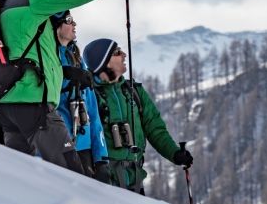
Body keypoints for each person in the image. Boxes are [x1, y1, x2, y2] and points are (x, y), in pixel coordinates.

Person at [0, 0, 138, 172]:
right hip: (34, 104)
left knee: (22, 177)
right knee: (71, 176)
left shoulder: (5, 6)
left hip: (6, 106)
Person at [82, 38, 193, 193]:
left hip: (135, 180)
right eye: (117, 53)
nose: (124, 55)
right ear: (104, 62)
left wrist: (174, 153)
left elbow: (155, 129)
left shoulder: (134, 91)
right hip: (103, 181)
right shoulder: (88, 94)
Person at [50, 9, 111, 183]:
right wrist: (64, 74)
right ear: (56, 26)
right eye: (69, 20)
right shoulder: (47, 57)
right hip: (57, 147)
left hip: (84, 149)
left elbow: (93, 112)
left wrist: (101, 158)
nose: (74, 24)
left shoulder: (77, 59)